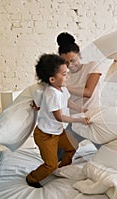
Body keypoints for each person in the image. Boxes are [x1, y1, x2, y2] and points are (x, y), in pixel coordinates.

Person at [26, 54, 90, 188]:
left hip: (57, 132)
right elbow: (59, 117)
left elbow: (67, 102)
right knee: (50, 164)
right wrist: (79, 120)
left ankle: (62, 168)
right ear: (52, 79)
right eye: (64, 74)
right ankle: (32, 178)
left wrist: (81, 109)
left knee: (72, 147)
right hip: (46, 136)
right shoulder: (52, 94)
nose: (68, 76)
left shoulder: (62, 89)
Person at [56, 32, 102, 145]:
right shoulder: (63, 76)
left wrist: (65, 86)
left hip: (93, 119)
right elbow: (58, 97)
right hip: (76, 121)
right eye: (65, 62)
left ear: (79, 55)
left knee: (106, 155)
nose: (69, 65)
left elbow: (88, 92)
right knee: (60, 155)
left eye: (72, 60)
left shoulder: (92, 66)